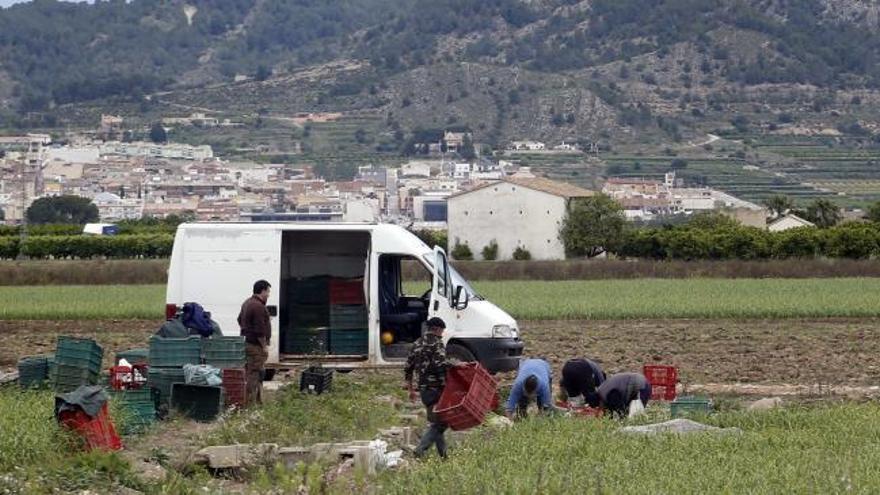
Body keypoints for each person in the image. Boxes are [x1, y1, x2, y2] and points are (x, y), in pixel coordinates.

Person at [404, 317, 454, 459]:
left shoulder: (417, 343)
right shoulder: (437, 344)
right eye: (442, 331)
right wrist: (455, 367)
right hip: (436, 390)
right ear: (437, 329)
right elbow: (441, 365)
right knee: (440, 424)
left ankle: (444, 456)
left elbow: (408, 367)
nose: (442, 334)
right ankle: (420, 450)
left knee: (436, 422)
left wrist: (411, 390)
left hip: (425, 391)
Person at [238, 280, 271, 406]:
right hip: (255, 346)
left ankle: (257, 401)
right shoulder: (258, 306)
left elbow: (239, 319)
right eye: (268, 292)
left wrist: (246, 330)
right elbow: (260, 331)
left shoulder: (247, 303)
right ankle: (250, 404)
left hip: (248, 343)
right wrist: (264, 347)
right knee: (255, 374)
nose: (268, 295)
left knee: (253, 372)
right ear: (262, 291)